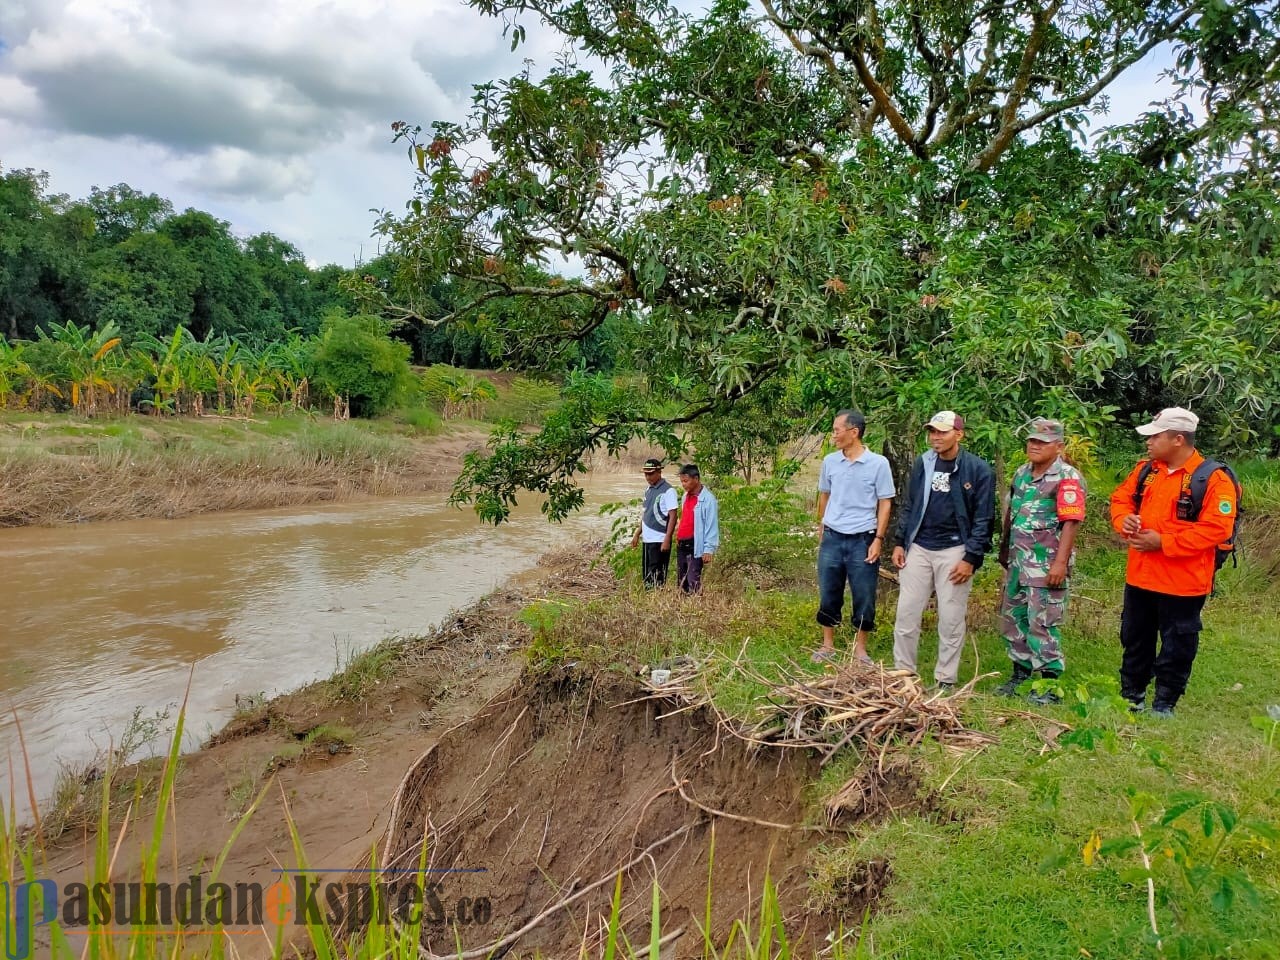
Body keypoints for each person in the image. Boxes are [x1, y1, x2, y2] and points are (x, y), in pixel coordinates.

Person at [1109, 407, 1237, 717]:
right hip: (1140, 576)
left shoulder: (1213, 480)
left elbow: (1217, 529)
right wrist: (1124, 520)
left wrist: (1163, 542)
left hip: (1184, 582)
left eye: (1155, 436)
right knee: (1134, 637)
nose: (1149, 442)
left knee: (1177, 643)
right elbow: (1121, 499)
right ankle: (1132, 695)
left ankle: (1165, 702)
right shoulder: (1146, 471)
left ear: (1178, 439)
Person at [890, 411, 995, 690]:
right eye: (932, 432)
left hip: (955, 549)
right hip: (919, 547)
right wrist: (900, 541)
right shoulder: (923, 463)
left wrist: (971, 557)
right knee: (906, 614)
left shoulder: (979, 470)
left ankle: (945, 679)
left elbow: (984, 519)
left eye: (942, 432)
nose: (935, 437)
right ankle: (903, 675)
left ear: (958, 434)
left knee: (950, 619)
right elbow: (910, 504)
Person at [995, 419, 1086, 704]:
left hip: (1046, 564)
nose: (1034, 446)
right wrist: (1004, 552)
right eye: (1032, 441)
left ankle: (1050, 685)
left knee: (1043, 622)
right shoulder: (1023, 473)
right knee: (1014, 618)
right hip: (1018, 561)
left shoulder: (1067, 477)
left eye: (1042, 442)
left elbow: (1071, 522)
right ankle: (1020, 675)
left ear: (1058, 446)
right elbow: (1013, 512)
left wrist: (1060, 564)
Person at [813, 409, 896, 664]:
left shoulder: (878, 464)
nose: (834, 435)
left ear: (854, 432)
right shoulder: (830, 462)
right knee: (829, 592)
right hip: (833, 538)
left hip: (863, 539)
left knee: (864, 594)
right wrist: (821, 525)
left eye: (837, 430)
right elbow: (824, 495)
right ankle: (828, 645)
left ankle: (860, 648)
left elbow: (885, 502)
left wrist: (878, 539)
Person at [630, 457, 678, 588]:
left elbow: (673, 516)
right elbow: (647, 514)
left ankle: (656, 599)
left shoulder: (668, 491)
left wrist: (667, 539)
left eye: (651, 473)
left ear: (659, 472)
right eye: (646, 474)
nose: (648, 477)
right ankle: (648, 598)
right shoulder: (648, 490)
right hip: (647, 539)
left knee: (658, 574)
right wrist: (637, 534)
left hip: (660, 539)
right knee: (647, 574)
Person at [675, 463, 719, 594]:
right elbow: (684, 518)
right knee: (682, 580)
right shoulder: (685, 497)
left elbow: (711, 525)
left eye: (686, 481)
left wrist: (708, 549)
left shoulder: (708, 500)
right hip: (682, 543)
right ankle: (683, 608)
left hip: (695, 544)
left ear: (696, 479)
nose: (683, 484)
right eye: (682, 481)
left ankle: (696, 607)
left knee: (693, 578)